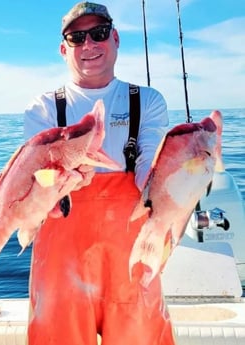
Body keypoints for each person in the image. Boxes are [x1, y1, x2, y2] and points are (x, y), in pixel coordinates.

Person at [24, 2, 176, 345]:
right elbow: (39, 177)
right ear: (64, 50)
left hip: (131, 247)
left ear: (116, 38)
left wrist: (172, 183)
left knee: (140, 334)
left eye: (99, 33)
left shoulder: (148, 100)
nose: (89, 44)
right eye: (77, 38)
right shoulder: (44, 107)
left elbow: (148, 160)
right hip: (62, 253)